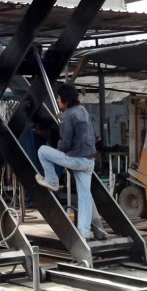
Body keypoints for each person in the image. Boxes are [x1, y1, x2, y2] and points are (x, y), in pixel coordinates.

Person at [35, 82, 97, 241]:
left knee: (43, 151)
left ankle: (52, 181)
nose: (57, 100)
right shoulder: (82, 110)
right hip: (89, 161)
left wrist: (57, 147)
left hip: (76, 159)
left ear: (66, 100)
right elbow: (77, 123)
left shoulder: (68, 115)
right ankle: (84, 232)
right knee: (85, 196)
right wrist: (62, 118)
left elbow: (66, 143)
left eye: (58, 98)